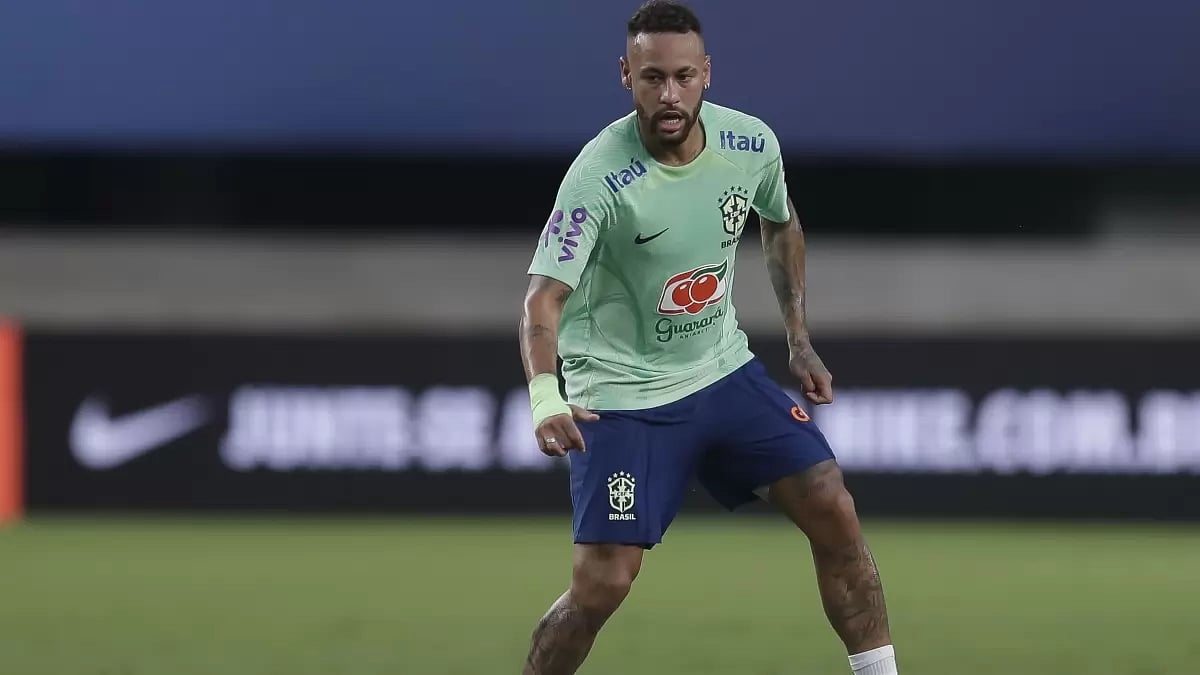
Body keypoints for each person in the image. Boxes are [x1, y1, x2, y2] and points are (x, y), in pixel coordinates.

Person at [517, 2, 898, 673]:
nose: (669, 95)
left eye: (684, 77)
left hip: (722, 373)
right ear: (625, 75)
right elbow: (542, 298)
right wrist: (547, 394)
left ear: (707, 74)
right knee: (602, 583)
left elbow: (780, 224)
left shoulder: (750, 144)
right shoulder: (597, 176)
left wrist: (798, 338)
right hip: (623, 395)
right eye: (652, 77)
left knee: (832, 506)